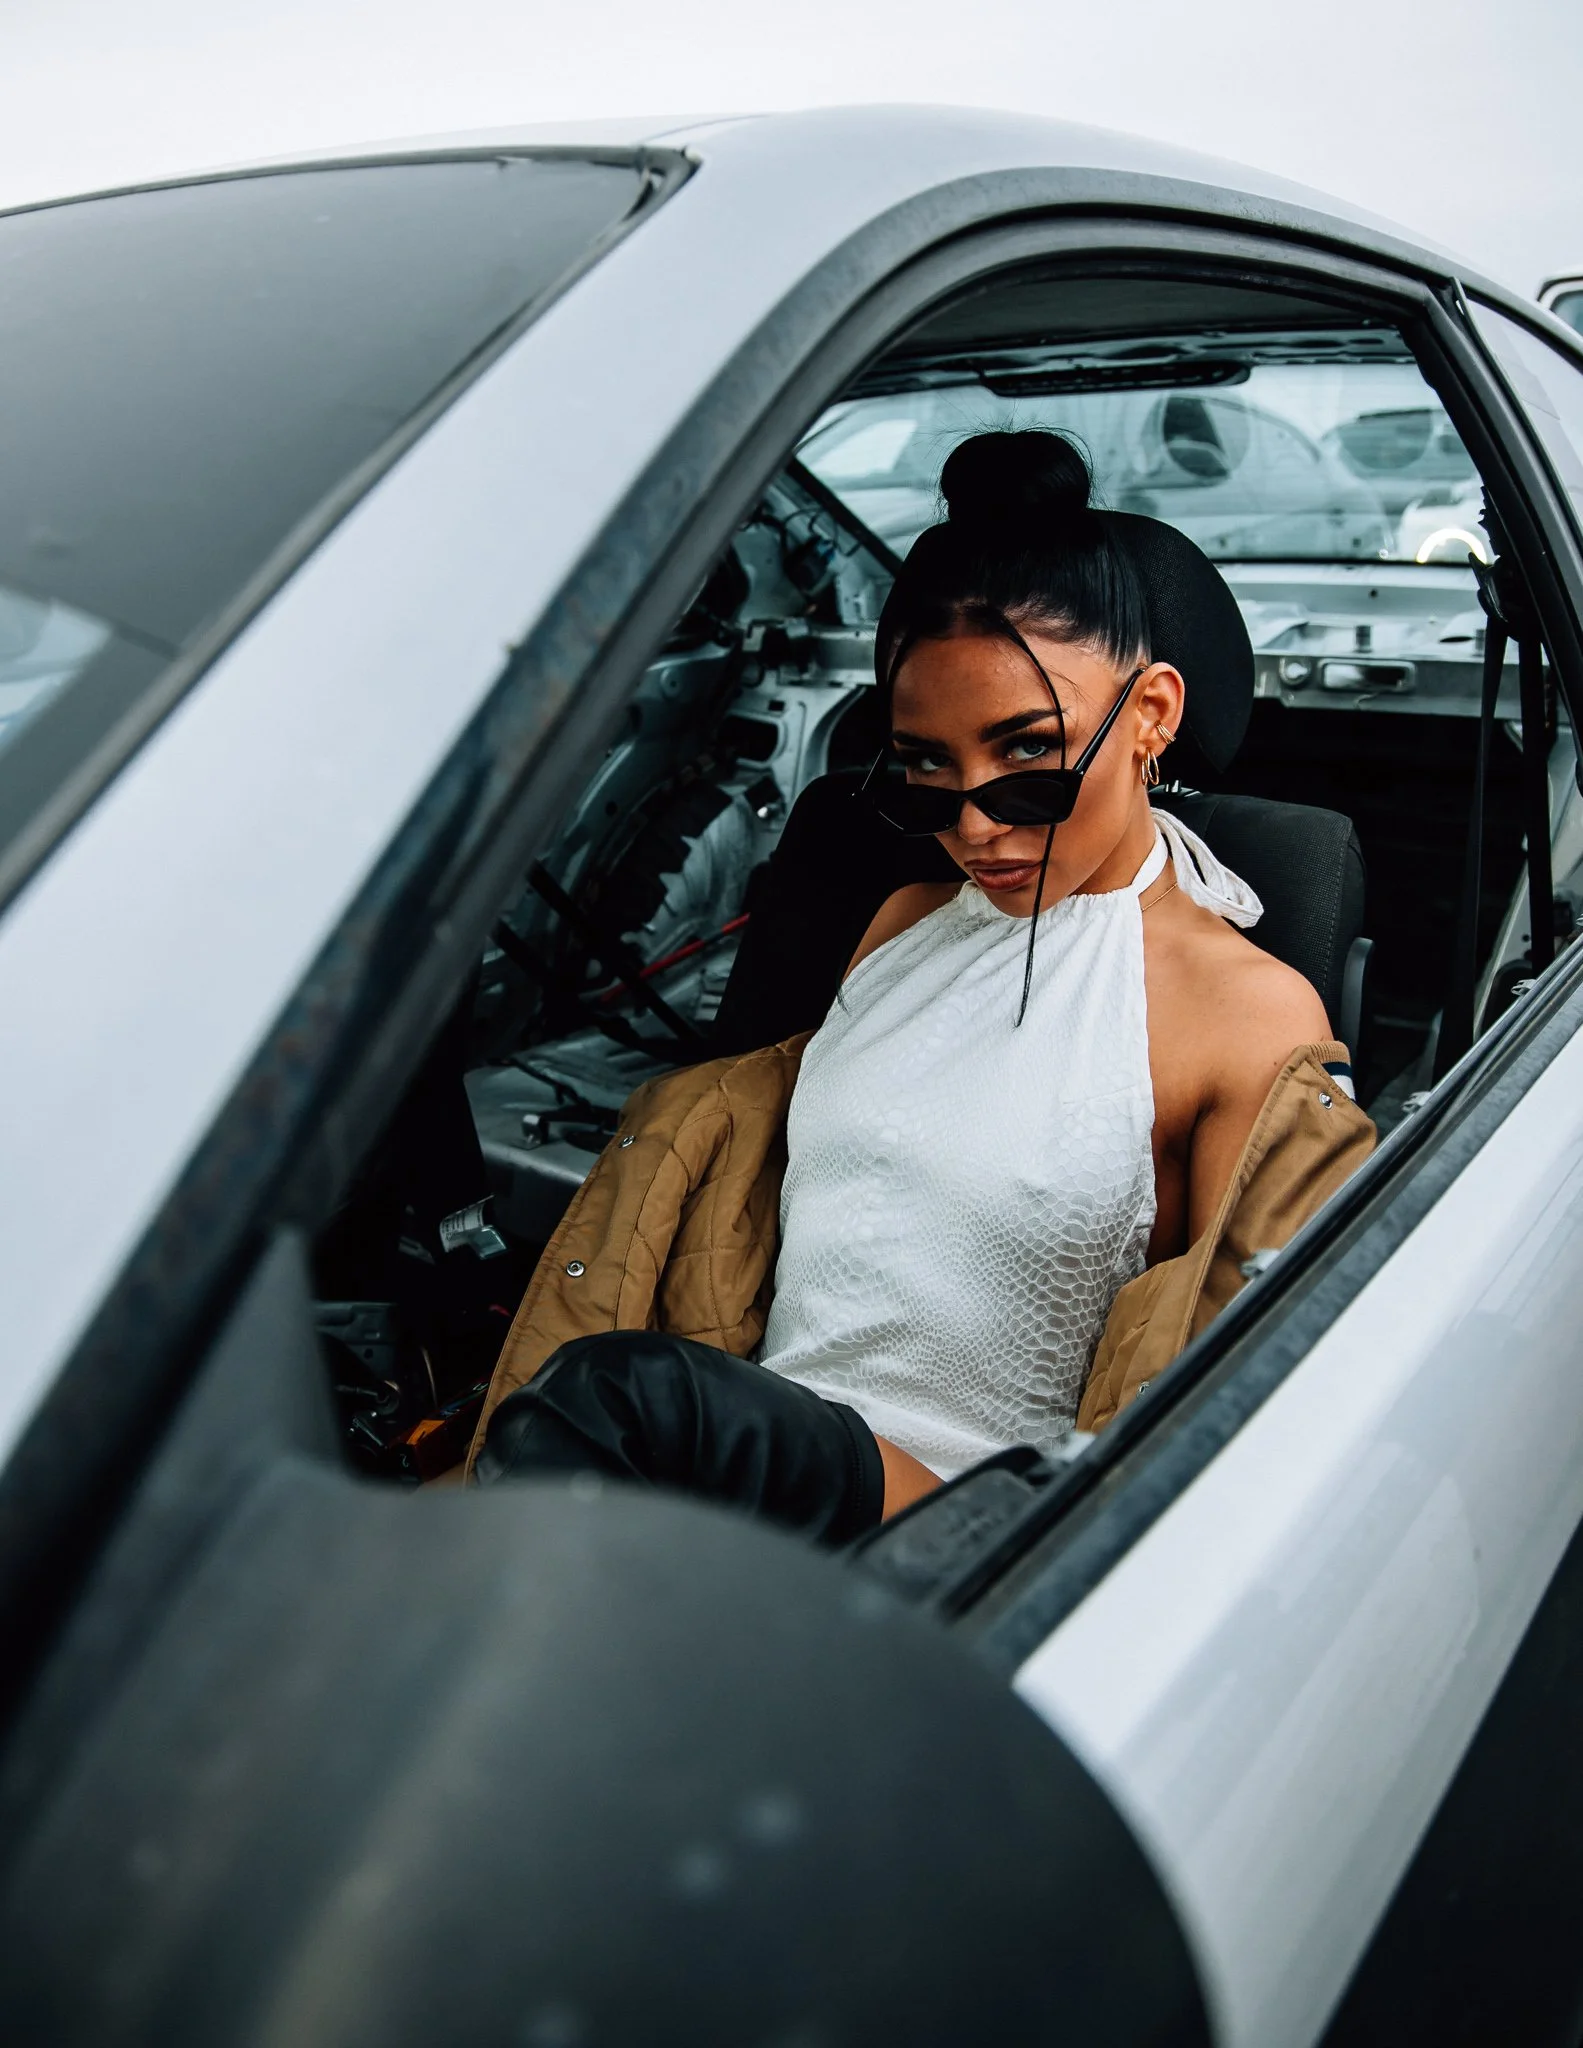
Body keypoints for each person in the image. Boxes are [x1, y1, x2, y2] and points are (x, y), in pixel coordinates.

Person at [470, 431, 1373, 1540]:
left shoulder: (1246, 1017)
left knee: (623, 1403)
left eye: (1028, 761)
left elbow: (1240, 1389)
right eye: (923, 773)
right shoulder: (901, 923)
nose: (976, 829)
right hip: (752, 1455)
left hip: (963, 1534)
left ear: (1149, 714)